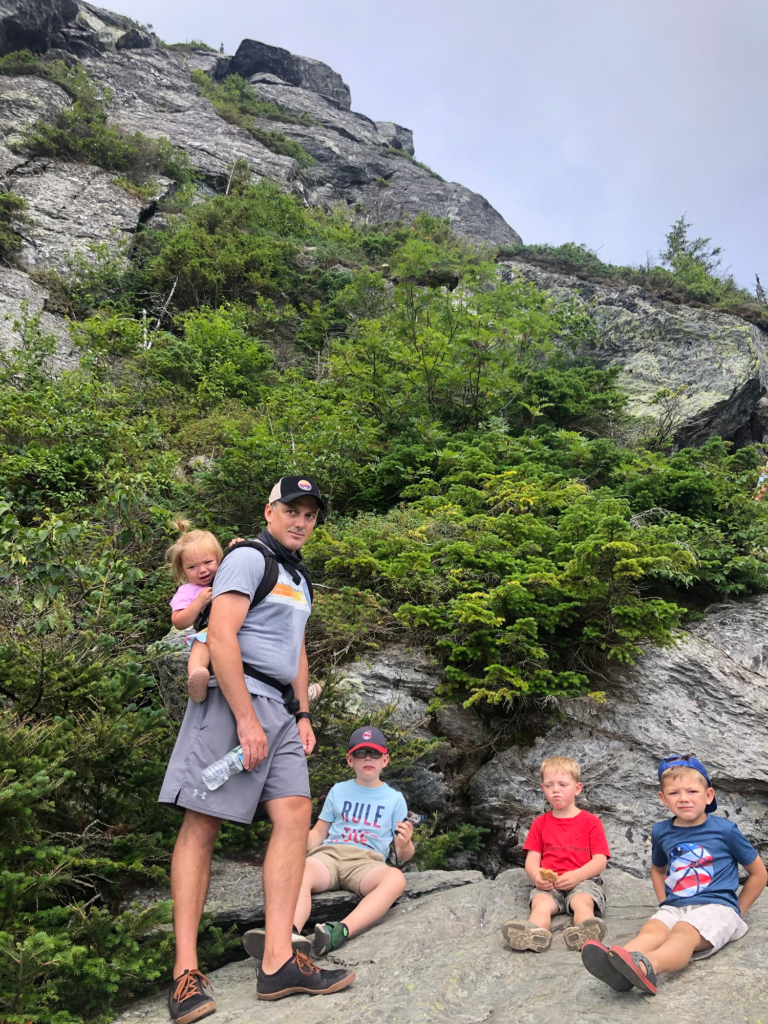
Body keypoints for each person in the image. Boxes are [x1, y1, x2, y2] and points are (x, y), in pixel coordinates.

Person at [159, 477, 355, 1023]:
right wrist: (246, 718)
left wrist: (304, 713)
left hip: (281, 711)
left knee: (295, 815)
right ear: (269, 510)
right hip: (232, 699)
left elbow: (297, 649)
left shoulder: (298, 575)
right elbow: (220, 636)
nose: (301, 521)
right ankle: (186, 973)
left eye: (311, 514)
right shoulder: (247, 557)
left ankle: (277, 961)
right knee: (201, 824)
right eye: (292, 510)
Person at [581, 755, 768, 995]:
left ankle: (648, 966)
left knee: (683, 934)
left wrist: (737, 911)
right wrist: (663, 903)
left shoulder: (725, 830)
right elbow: (658, 869)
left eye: (692, 791)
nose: (684, 799)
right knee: (652, 930)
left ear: (708, 795)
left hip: (716, 907)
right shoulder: (662, 831)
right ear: (663, 798)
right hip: (676, 906)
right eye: (674, 793)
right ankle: (619, 963)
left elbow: (759, 874)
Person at [241, 726, 415, 961]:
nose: (367, 759)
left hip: (366, 863)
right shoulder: (339, 790)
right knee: (299, 870)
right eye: (361, 754)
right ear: (350, 759)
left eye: (374, 754)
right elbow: (317, 834)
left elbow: (402, 855)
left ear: (385, 760)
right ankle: (287, 933)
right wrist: (290, 843)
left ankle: (340, 931)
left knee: (395, 878)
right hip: (329, 857)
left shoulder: (395, 798)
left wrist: (405, 843)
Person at [501, 756, 610, 953]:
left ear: (577, 788)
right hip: (550, 884)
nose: (556, 790)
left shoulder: (591, 822)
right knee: (541, 904)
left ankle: (586, 931)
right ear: (543, 788)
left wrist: (578, 875)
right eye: (549, 785)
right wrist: (536, 877)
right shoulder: (540, 824)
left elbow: (600, 861)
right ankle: (533, 933)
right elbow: (532, 859)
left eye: (562, 784)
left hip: (583, 880)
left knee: (581, 901)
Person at [166, 521, 223, 704]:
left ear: (219, 559)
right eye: (192, 567)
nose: (202, 570)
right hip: (209, 631)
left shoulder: (225, 574)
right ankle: (197, 678)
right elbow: (179, 621)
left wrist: (237, 545)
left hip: (238, 628)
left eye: (208, 562)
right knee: (200, 643)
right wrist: (198, 603)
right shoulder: (187, 591)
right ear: (183, 570)